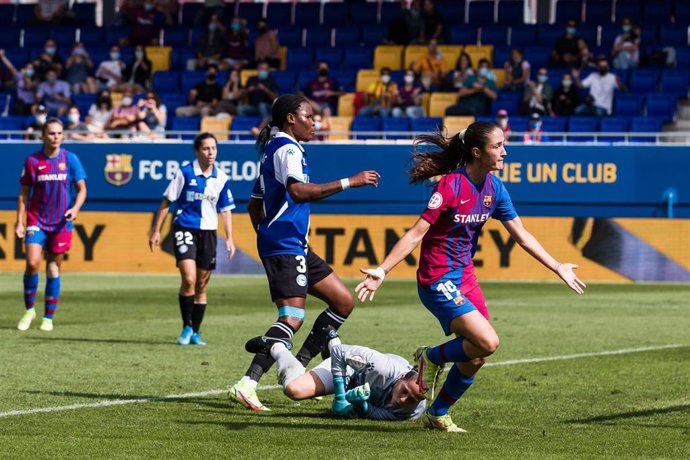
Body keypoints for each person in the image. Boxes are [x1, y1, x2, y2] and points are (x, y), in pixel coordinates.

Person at [355, 121, 585, 432]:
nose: (504, 151)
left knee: (477, 355)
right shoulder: (450, 186)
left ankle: (437, 413)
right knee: (487, 341)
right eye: (498, 146)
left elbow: (522, 235)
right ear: (477, 152)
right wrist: (382, 270)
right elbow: (416, 234)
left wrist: (557, 266)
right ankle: (431, 357)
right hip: (436, 278)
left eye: (503, 144)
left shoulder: (494, 188)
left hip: (464, 277)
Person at [228, 94, 381, 411]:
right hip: (286, 244)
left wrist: (267, 232)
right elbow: (298, 191)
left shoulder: (278, 150)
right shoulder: (286, 149)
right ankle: (248, 383)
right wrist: (350, 181)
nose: (315, 122)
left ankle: (299, 365)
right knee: (292, 318)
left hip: (291, 243)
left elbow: (255, 203)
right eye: (309, 116)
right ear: (290, 119)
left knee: (342, 301)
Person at [149, 132, 236, 345]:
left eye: (213, 148)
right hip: (185, 228)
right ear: (197, 151)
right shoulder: (185, 173)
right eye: (206, 148)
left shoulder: (221, 178)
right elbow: (166, 202)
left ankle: (196, 332)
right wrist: (156, 230)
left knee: (201, 285)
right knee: (189, 278)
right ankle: (186, 326)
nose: (210, 153)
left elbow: (225, 210)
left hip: (209, 233)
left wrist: (230, 238)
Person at [245, 327, 427, 421]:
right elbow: (340, 353)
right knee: (294, 390)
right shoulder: (381, 366)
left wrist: (362, 406)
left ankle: (331, 340)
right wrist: (341, 396)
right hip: (352, 370)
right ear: (402, 378)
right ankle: (277, 347)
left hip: (359, 385)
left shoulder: (413, 410)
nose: (403, 400)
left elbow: (380, 415)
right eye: (404, 391)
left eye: (411, 399)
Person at [16, 118, 87, 332]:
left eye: (59, 133)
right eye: (51, 133)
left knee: (53, 268)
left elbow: (82, 189)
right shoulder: (33, 161)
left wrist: (75, 209)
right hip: (37, 220)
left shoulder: (70, 159)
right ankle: (29, 310)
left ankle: (48, 317)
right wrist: (20, 220)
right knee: (32, 263)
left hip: (60, 224)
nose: (56, 137)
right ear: (43, 136)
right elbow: (24, 194)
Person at [0, 49, 39, 115]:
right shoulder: (19, 76)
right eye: (28, 68)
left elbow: (28, 86)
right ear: (24, 69)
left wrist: (25, 76)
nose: (29, 70)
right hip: (20, 103)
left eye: (31, 68)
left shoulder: (36, 79)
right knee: (19, 107)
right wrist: (2, 56)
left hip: (31, 105)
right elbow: (10, 67)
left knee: (35, 109)